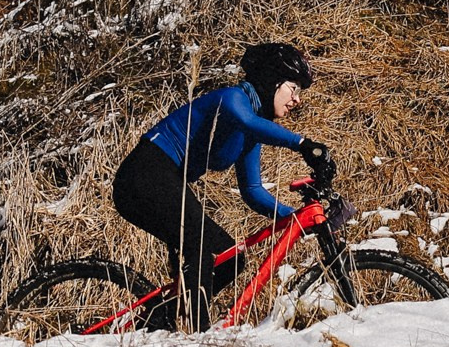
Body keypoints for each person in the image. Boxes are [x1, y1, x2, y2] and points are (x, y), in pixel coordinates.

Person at [113, 43, 330, 330]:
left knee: (230, 259)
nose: (297, 100)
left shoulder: (252, 132)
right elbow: (246, 120)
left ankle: (161, 317)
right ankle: (198, 336)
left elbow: (252, 191)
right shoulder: (233, 100)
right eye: (293, 88)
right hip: (144, 175)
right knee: (199, 241)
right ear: (272, 81)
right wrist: (302, 144)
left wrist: (292, 218)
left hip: (165, 181)